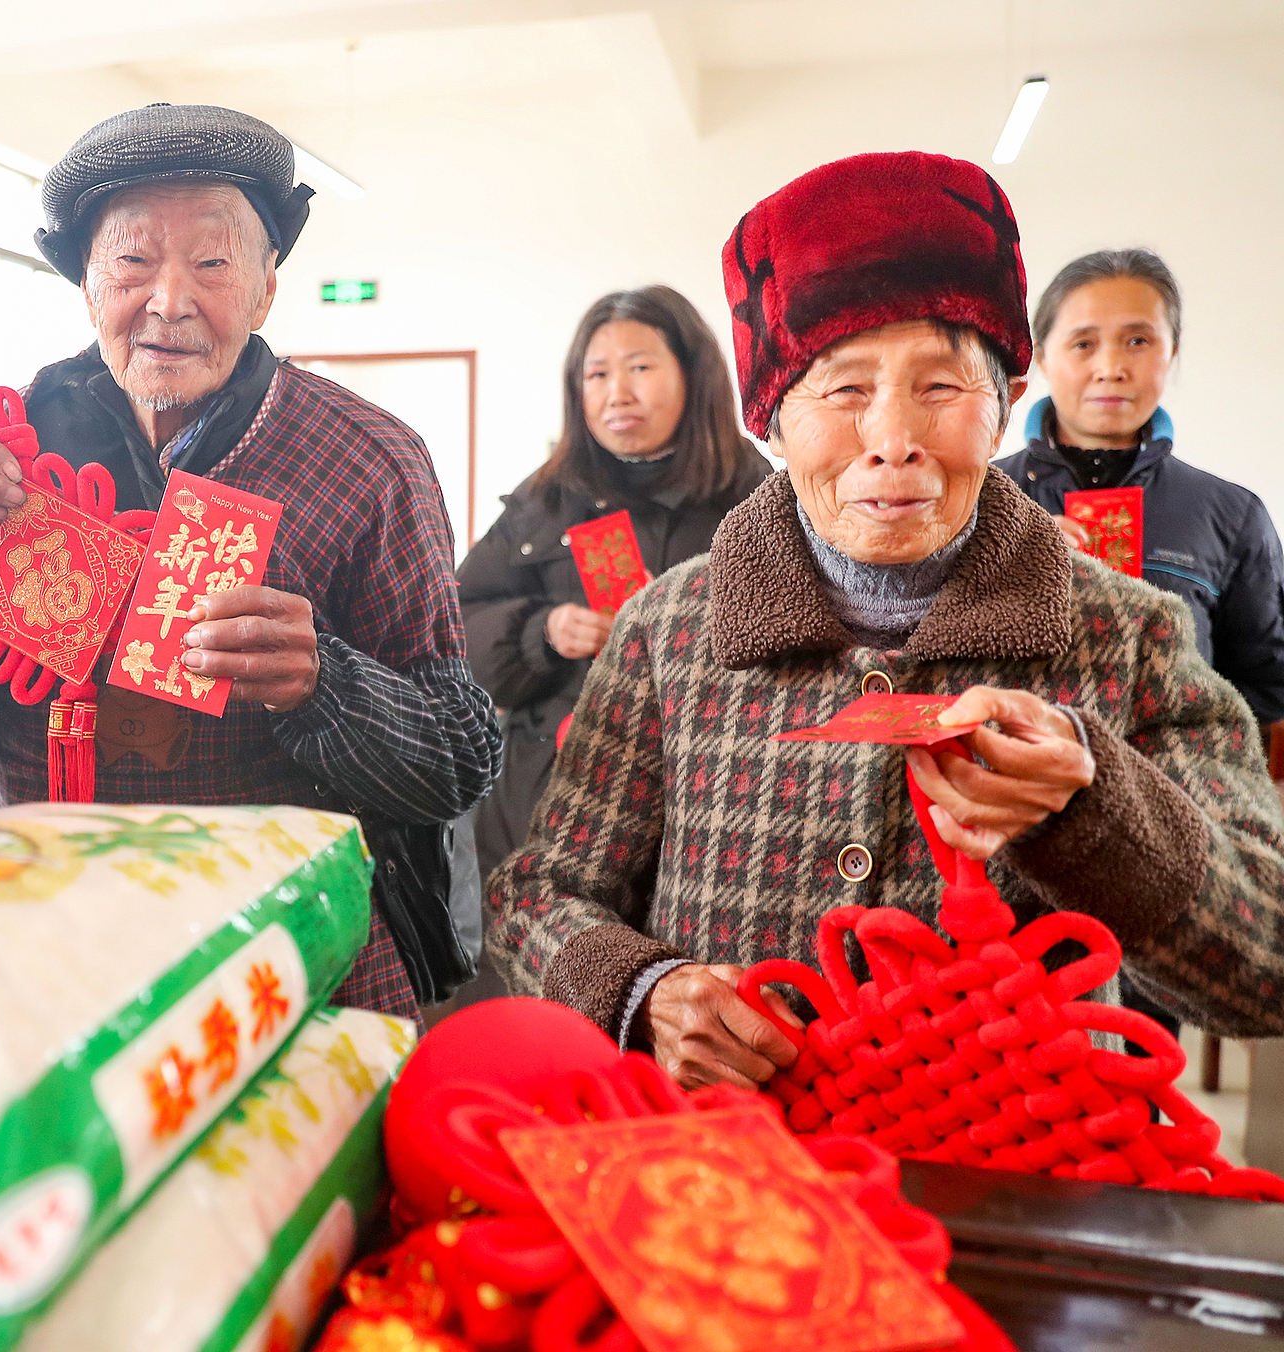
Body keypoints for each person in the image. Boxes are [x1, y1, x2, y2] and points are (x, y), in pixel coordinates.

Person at [486, 152, 1284, 1091]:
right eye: (844, 388)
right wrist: (644, 990)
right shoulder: (670, 631)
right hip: (734, 1183)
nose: (893, 437)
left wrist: (1094, 807)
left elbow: (1265, 969)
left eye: (942, 387)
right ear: (770, 421)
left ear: (1005, 409)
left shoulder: (1132, 638)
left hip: (1028, 1181)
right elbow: (536, 894)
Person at [0, 104, 501, 1023]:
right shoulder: (1, 456)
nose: (168, 301)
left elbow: (458, 762)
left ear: (267, 286)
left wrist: (323, 684)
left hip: (297, 959)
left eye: (211, 263)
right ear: (86, 282)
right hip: (50, 962)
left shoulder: (367, 458)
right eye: (131, 262)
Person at [458, 286, 770, 879]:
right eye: (596, 374)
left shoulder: (754, 495)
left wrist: (693, 620)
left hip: (709, 793)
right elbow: (454, 625)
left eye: (640, 368)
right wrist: (539, 631)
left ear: (693, 372)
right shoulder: (545, 499)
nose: (616, 394)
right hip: (548, 792)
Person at [998, 250, 1284, 724]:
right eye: (1084, 344)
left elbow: (1269, 683)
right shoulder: (976, 501)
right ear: (1041, 355)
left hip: (1175, 785)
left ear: (1171, 351)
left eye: (1137, 340)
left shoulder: (1233, 515)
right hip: (1011, 779)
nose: (1111, 367)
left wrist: (1171, 719)